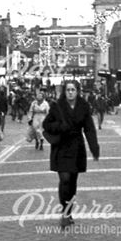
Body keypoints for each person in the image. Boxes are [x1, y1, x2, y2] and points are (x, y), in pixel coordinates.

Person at [43, 80, 99, 230]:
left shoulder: (83, 106)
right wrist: (60, 126)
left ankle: (69, 208)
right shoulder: (57, 106)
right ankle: (65, 212)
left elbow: (89, 128)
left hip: (76, 146)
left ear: (77, 91)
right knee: (65, 179)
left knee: (73, 181)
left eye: (73, 90)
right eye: (68, 90)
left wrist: (94, 147)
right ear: (64, 91)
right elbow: (46, 125)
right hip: (61, 146)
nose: (70, 92)